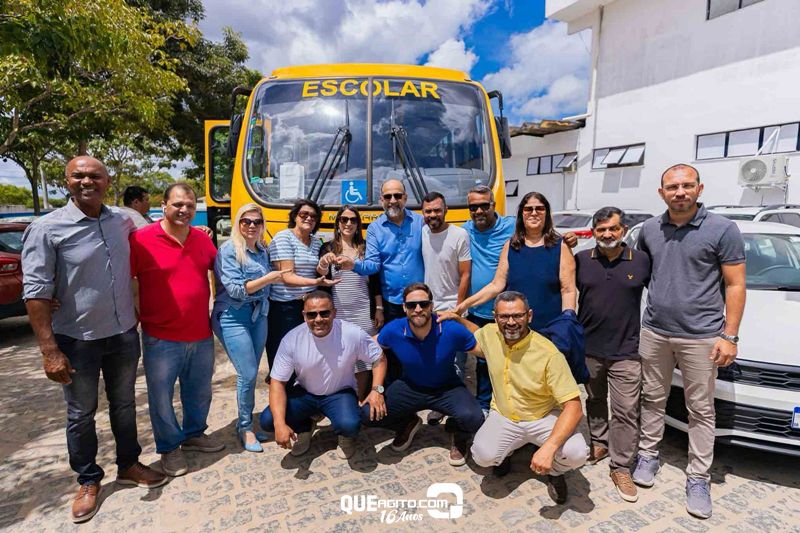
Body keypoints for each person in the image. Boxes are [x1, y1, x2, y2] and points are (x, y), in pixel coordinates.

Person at [21, 156, 167, 524]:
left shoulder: (123, 219)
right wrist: (48, 350)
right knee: (80, 414)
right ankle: (88, 480)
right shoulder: (46, 229)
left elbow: (158, 240)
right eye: (79, 176)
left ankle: (129, 464)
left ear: (107, 180)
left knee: (124, 405)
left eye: (95, 176)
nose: (87, 181)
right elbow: (36, 292)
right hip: (77, 340)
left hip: (121, 334)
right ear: (66, 181)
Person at [632, 164, 745, 519]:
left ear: (699, 188)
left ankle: (698, 476)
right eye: (672, 186)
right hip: (654, 332)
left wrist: (729, 335)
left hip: (701, 336)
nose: (679, 192)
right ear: (661, 191)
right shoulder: (650, 229)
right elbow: (641, 274)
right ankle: (648, 454)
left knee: (700, 409)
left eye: (686, 185)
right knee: (652, 398)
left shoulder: (722, 229)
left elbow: (735, 284)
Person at [439, 291, 588, 505]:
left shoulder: (548, 354)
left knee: (577, 453)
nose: (511, 322)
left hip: (543, 416)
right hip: (505, 415)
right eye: (504, 317)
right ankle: (508, 453)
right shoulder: (491, 334)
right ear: (495, 317)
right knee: (482, 455)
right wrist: (457, 319)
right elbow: (477, 333)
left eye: (517, 316)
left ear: (529, 316)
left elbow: (574, 407)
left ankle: (554, 470)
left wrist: (549, 448)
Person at [129, 183, 224, 478]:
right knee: (161, 397)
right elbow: (129, 279)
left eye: (190, 206)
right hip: (160, 336)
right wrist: (135, 312)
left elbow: (218, 272)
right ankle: (170, 448)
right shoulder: (141, 239)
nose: (184, 210)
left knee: (199, 392)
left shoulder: (202, 239)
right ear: (163, 204)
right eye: (178, 204)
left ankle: (194, 433)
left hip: (199, 332)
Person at [575, 207, 651, 503]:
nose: (607, 234)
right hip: (589, 348)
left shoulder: (642, 261)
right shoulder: (581, 260)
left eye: (613, 229)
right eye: (601, 229)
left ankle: (620, 466)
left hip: (626, 351)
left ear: (623, 230)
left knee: (625, 411)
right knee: (594, 400)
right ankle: (599, 443)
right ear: (594, 231)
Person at [365, 283, 485, 467]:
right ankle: (407, 423)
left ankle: (458, 434)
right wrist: (376, 389)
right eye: (412, 305)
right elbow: (369, 348)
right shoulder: (395, 329)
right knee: (367, 414)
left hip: (447, 387)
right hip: (410, 387)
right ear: (404, 308)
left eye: (423, 304)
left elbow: (484, 349)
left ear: (431, 306)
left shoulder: (449, 328)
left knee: (474, 418)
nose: (418, 309)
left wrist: (460, 320)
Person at [259, 291, 388, 460]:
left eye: (324, 313)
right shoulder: (292, 339)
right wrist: (279, 424)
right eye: (312, 314)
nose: (318, 319)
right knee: (269, 420)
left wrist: (377, 389)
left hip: (340, 393)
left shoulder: (352, 333)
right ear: (304, 316)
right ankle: (305, 427)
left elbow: (379, 358)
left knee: (350, 424)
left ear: (334, 313)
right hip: (305, 393)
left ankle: (345, 436)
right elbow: (277, 382)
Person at [212, 203, 289, 452]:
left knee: (253, 372)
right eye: (246, 221)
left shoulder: (261, 250)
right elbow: (235, 290)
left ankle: (247, 424)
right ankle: (245, 428)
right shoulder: (229, 250)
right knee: (246, 374)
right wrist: (270, 277)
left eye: (256, 221)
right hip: (234, 316)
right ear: (238, 223)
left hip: (259, 315)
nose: (252, 226)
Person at [455, 191, 577, 333]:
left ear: (547, 213)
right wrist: (463, 306)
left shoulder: (561, 246)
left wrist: (568, 320)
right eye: (528, 209)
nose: (534, 213)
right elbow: (496, 285)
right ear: (521, 214)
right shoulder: (511, 246)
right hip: (515, 329)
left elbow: (568, 290)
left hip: (551, 328)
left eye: (540, 208)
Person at [340, 179, 425, 380]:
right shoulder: (375, 229)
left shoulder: (421, 222)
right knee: (393, 351)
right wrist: (354, 265)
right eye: (388, 196)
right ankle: (395, 398)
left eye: (397, 195)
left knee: (421, 348)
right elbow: (373, 265)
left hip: (420, 302)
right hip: (392, 302)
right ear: (381, 200)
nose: (393, 200)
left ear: (405, 197)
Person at [316, 205, 383, 398]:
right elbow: (319, 274)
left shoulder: (365, 248)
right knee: (340, 355)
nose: (348, 223)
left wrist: (378, 308)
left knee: (363, 357)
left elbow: (375, 280)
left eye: (353, 220)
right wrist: (323, 262)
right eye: (344, 219)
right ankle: (339, 397)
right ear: (337, 223)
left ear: (358, 224)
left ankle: (360, 399)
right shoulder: (328, 248)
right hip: (339, 311)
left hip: (364, 310)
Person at [266, 199, 338, 375]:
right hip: (285, 308)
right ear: (295, 216)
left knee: (305, 357)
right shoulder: (283, 237)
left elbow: (316, 270)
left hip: (308, 308)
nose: (308, 218)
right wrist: (316, 283)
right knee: (282, 360)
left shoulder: (315, 242)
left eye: (313, 216)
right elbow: (286, 276)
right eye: (303, 214)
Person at [461, 185, 515, 415]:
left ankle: (509, 405)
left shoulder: (512, 226)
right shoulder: (465, 230)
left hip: (505, 310)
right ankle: (484, 406)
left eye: (485, 205)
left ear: (494, 205)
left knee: (510, 361)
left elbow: (544, 234)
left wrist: (568, 239)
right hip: (477, 310)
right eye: (474, 207)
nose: (479, 210)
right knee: (483, 361)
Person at [420, 191, 471, 424]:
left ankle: (456, 414)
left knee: (456, 364)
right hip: (429, 311)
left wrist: (458, 310)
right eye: (428, 211)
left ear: (445, 210)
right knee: (436, 361)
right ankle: (440, 405)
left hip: (452, 310)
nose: (433, 215)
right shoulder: (422, 233)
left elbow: (465, 274)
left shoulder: (459, 234)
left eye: (437, 210)